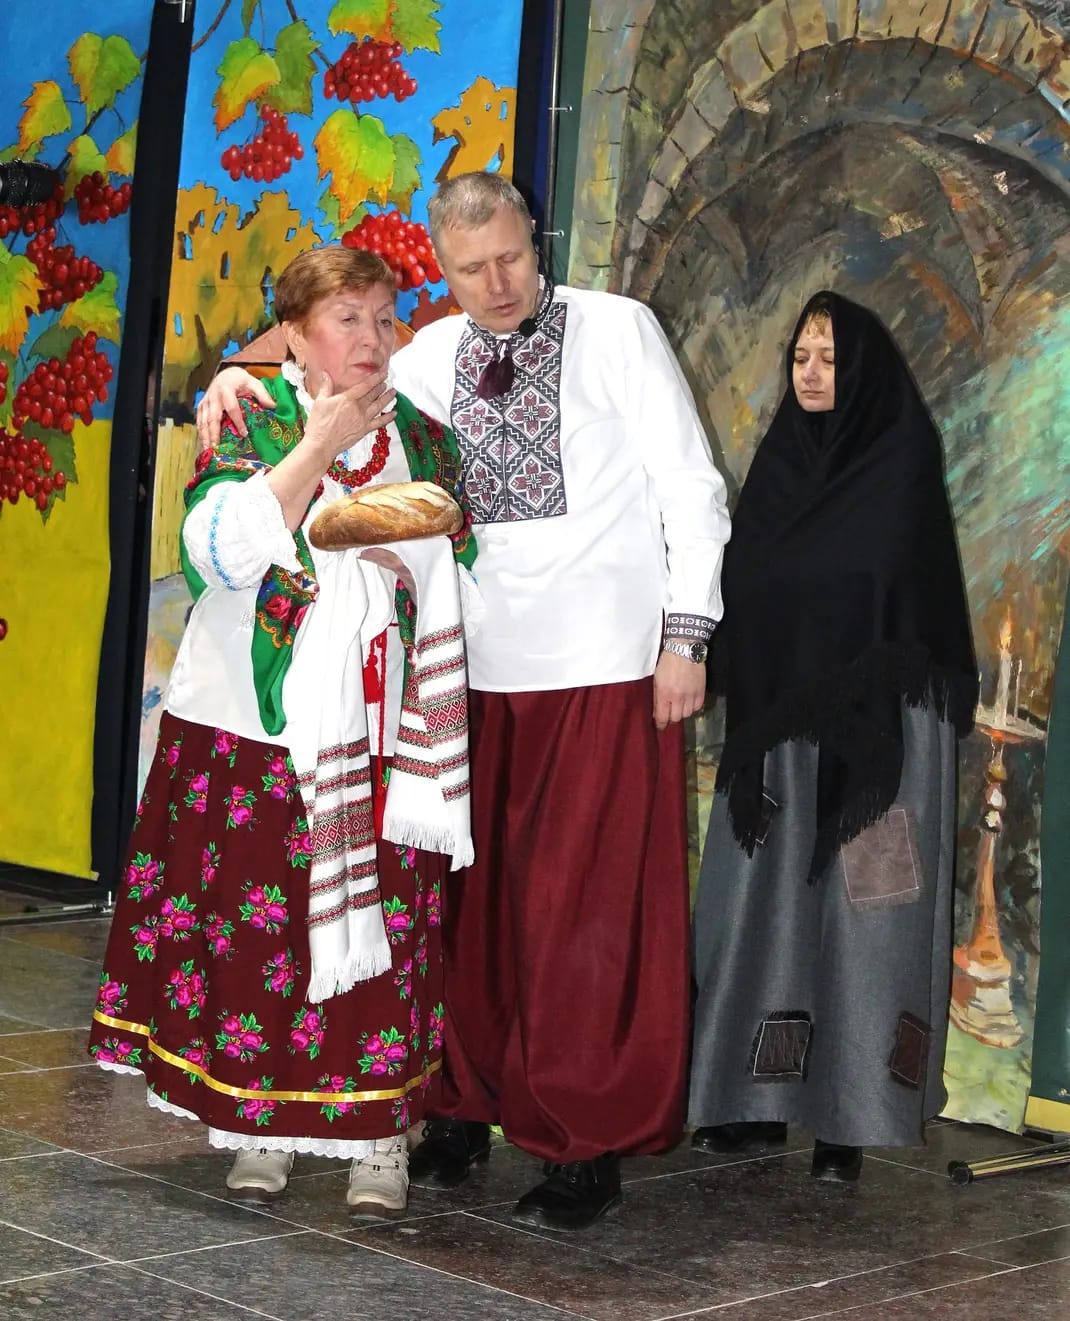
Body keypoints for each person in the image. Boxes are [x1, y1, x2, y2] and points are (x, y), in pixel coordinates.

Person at [197, 172, 732, 1229]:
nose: (496, 284)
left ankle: (579, 1134)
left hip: (603, 662)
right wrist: (230, 375)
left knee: (579, 912)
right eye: (470, 269)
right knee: (464, 907)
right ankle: (459, 1106)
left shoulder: (619, 329)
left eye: (511, 258)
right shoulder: (428, 351)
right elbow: (318, 354)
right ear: (440, 270)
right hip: (462, 671)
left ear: (537, 237)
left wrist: (686, 635)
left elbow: (690, 485)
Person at [89, 247, 477, 1220]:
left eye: (383, 318)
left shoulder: (425, 439)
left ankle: (379, 1140)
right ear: (295, 335)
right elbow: (219, 555)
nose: (370, 338)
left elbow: (466, 569)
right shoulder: (249, 418)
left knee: (385, 929)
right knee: (261, 933)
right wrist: (318, 444)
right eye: (346, 318)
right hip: (251, 732)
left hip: (384, 729)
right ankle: (257, 1123)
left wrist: (406, 568)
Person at [688, 291, 977, 1181]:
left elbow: (904, 599)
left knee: (868, 920)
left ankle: (848, 1117)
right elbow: (752, 587)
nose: (813, 375)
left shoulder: (900, 461)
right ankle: (754, 1101)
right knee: (763, 915)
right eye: (802, 358)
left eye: (831, 359)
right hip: (781, 741)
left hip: (878, 748)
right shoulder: (779, 468)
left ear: (864, 371)